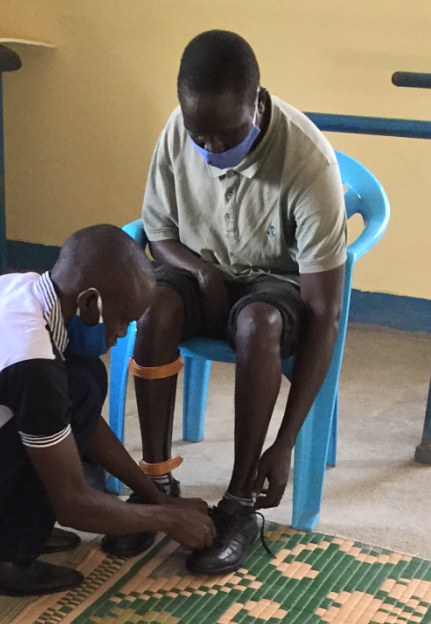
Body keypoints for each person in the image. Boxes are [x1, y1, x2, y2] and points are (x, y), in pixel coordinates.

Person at [101, 30, 348, 575]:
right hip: (198, 265)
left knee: (259, 325)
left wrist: (286, 443)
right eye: (200, 135)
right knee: (156, 307)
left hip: (273, 284)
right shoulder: (177, 131)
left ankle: (238, 502)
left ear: (257, 105)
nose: (211, 150)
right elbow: (158, 231)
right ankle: (155, 484)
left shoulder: (310, 166)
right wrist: (200, 272)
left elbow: (326, 313)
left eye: (227, 135)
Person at [0, 224, 215, 597]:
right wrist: (168, 520)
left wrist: (158, 497)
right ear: (89, 304)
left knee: (83, 378)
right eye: (123, 320)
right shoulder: (31, 360)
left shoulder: (17, 288)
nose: (120, 334)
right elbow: (74, 505)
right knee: (71, 389)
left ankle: (7, 530)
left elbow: (83, 424)